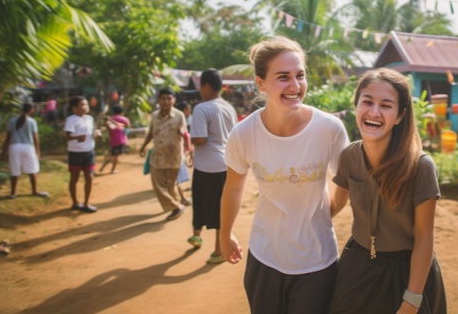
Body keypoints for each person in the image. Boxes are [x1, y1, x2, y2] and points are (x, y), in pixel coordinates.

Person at [219, 36, 349, 313]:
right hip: (265, 257)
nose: (295, 86)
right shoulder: (244, 134)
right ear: (261, 83)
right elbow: (232, 188)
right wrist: (224, 234)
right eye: (283, 77)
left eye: (300, 75)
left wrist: (319, 217)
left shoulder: (330, 129)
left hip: (318, 260)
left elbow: (344, 184)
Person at [327, 68, 447, 314]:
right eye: (367, 102)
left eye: (386, 105)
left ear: (400, 116)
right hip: (357, 265)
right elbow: (333, 206)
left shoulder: (420, 166)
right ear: (356, 106)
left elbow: (424, 237)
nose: (374, 112)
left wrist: (412, 299)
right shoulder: (349, 155)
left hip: (405, 272)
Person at [188, 69, 237, 264]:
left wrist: (192, 137)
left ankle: (200, 237)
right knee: (221, 208)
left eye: (201, 86)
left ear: (206, 86)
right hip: (225, 164)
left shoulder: (202, 108)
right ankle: (218, 248)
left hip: (207, 166)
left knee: (200, 201)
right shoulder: (229, 108)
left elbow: (199, 139)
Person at [140, 88, 189, 221]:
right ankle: (175, 207)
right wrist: (144, 146)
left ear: (174, 100)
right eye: (163, 98)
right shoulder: (155, 116)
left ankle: (175, 205)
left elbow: (185, 134)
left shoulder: (179, 115)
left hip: (174, 157)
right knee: (158, 185)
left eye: (169, 98)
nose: (166, 101)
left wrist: (187, 148)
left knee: (170, 185)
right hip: (157, 157)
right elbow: (151, 132)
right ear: (158, 100)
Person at [1, 103, 48, 199]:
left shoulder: (12, 120)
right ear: (31, 109)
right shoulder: (32, 121)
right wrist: (38, 152)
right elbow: (36, 138)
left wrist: (4, 152)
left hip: (14, 147)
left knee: (14, 170)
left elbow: (8, 138)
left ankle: (12, 193)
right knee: (32, 170)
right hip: (28, 147)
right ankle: (34, 191)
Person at [64, 96, 101, 213]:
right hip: (75, 153)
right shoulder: (71, 119)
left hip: (89, 152)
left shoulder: (89, 118)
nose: (86, 106)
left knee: (89, 177)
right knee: (74, 178)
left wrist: (96, 134)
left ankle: (86, 203)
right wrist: (77, 137)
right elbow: (67, 136)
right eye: (83, 104)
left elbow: (91, 132)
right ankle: (75, 202)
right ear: (75, 108)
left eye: (86, 104)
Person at [99, 105, 130, 174]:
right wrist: (121, 125)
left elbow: (109, 128)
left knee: (111, 154)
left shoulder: (110, 119)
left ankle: (102, 167)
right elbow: (128, 126)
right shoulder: (124, 119)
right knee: (115, 156)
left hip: (113, 140)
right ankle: (112, 170)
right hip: (121, 140)